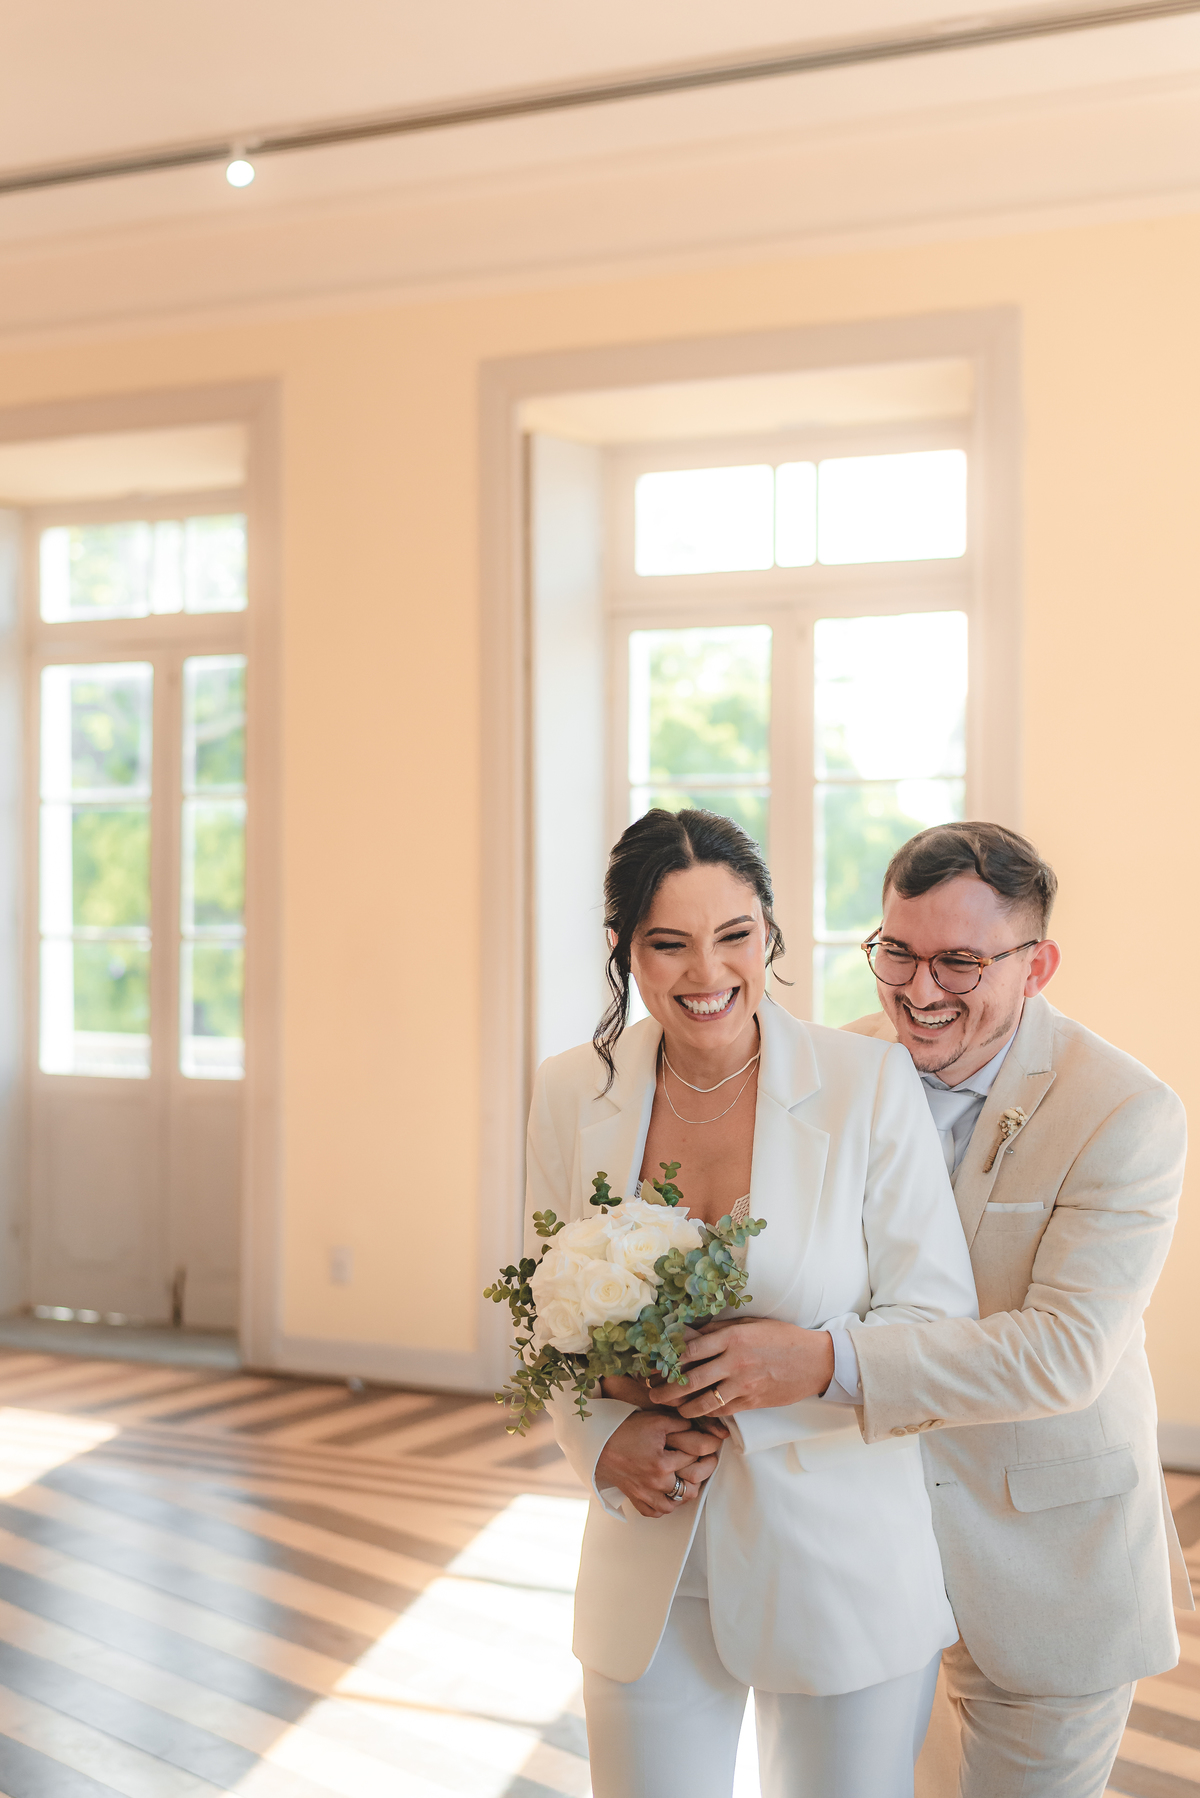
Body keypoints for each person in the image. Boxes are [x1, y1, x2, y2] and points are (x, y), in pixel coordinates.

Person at [657, 821, 1190, 1798]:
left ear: (1038, 966)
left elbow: (1063, 1355)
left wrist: (825, 1363)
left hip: (1045, 1575)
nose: (918, 987)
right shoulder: (834, 1065)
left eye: (959, 961)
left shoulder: (1125, 1111)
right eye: (896, 951)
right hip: (866, 1570)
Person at [526, 808, 978, 1798]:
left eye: (734, 934)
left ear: (769, 933)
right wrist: (604, 1438)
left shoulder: (866, 1084)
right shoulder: (572, 1092)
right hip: (651, 1549)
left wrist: (816, 1360)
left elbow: (938, 1322)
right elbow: (543, 1306)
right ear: (623, 950)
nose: (707, 971)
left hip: (840, 1562)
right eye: (669, 943)